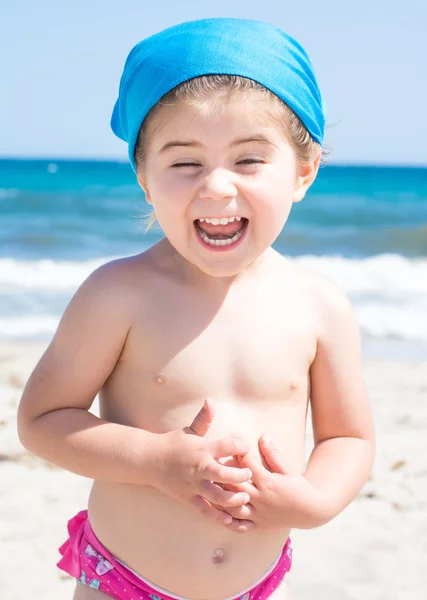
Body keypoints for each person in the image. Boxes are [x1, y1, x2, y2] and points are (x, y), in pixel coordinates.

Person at [17, 17, 375, 600]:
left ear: (303, 172)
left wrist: (317, 501)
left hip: (254, 582)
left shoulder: (319, 307)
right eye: (185, 163)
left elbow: (348, 438)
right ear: (144, 177)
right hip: (125, 582)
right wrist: (155, 459)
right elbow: (42, 421)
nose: (216, 188)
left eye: (249, 160)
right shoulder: (118, 294)